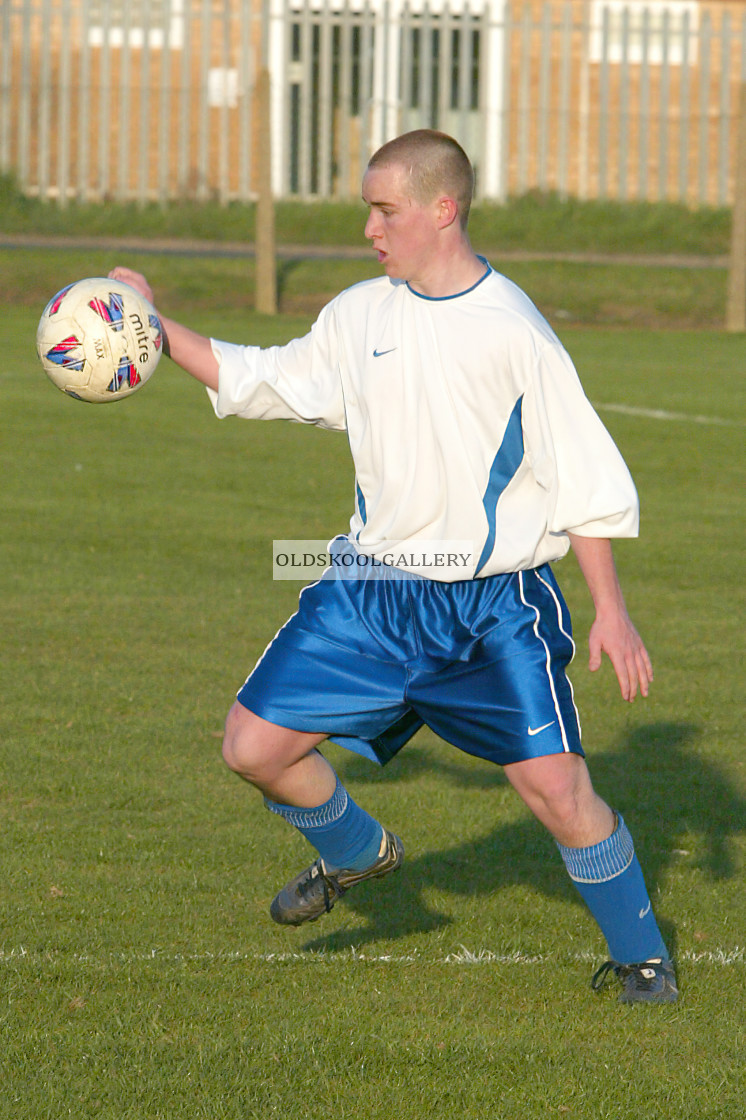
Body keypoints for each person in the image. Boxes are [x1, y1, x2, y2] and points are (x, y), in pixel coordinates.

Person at [110, 129, 677, 1004]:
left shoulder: (514, 331)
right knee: (253, 746)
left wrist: (610, 607)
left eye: (385, 210)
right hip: (369, 596)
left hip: (491, 612)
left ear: (441, 210)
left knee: (558, 790)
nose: (371, 229)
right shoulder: (360, 313)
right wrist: (148, 325)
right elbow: (263, 379)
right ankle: (357, 854)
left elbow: (581, 477)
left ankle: (643, 957)